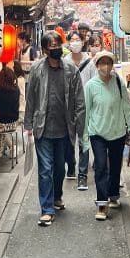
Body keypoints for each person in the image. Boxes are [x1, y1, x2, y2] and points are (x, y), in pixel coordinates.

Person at [24, 31, 85, 227]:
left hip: (64, 128)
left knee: (60, 168)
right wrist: (28, 125)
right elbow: (31, 97)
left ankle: (57, 196)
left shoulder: (70, 70)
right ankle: (47, 209)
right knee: (45, 169)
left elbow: (79, 100)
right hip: (42, 127)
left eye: (58, 45)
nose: (56, 49)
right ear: (44, 50)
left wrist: (80, 126)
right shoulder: (36, 69)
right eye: (52, 47)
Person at [82, 51, 130, 222]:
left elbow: (127, 106)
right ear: (97, 65)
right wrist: (84, 136)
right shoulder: (90, 86)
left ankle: (113, 194)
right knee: (100, 166)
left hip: (118, 132)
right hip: (97, 132)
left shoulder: (118, 83)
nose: (105, 66)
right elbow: (85, 112)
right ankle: (101, 203)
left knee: (115, 166)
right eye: (102, 63)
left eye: (108, 63)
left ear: (112, 65)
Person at [64, 31, 96, 189]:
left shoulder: (90, 63)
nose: (75, 42)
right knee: (69, 140)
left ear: (83, 43)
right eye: (73, 40)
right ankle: (71, 166)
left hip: (85, 106)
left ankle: (82, 174)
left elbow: (94, 83)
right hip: (68, 107)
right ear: (68, 43)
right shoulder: (64, 62)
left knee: (84, 139)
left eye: (78, 40)